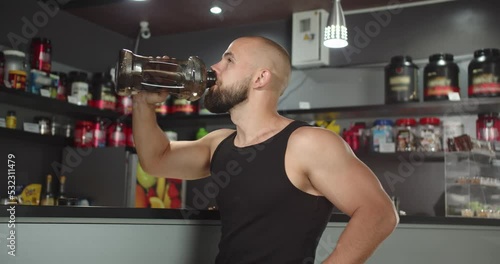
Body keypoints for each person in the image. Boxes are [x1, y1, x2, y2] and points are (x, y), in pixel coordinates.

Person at [132, 36, 399, 264]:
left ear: (260, 77)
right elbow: (156, 160)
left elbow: (380, 214)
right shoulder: (219, 143)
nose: (214, 67)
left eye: (229, 60)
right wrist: (144, 102)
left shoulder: (307, 142)